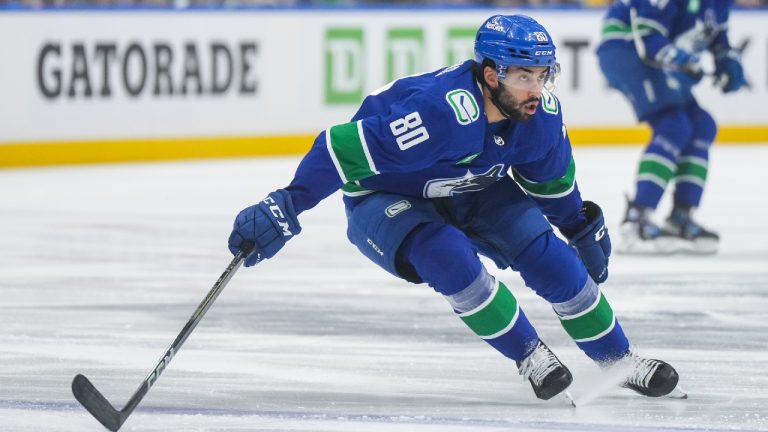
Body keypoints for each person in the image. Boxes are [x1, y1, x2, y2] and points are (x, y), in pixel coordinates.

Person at [228, 14, 683, 402]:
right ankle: (529, 354)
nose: (535, 90)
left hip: (469, 187)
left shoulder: (540, 117)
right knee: (445, 254)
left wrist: (579, 230)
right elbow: (338, 149)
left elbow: (554, 186)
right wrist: (288, 202)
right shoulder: (441, 113)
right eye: (523, 76)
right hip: (385, 195)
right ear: (490, 75)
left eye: (543, 75)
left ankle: (619, 361)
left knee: (552, 258)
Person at [597, 0, 747, 254]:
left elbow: (716, 34)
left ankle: (681, 215)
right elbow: (648, 38)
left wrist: (727, 60)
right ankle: (637, 218)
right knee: (673, 126)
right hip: (625, 49)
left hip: (654, 55)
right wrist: (683, 60)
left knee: (701, 125)